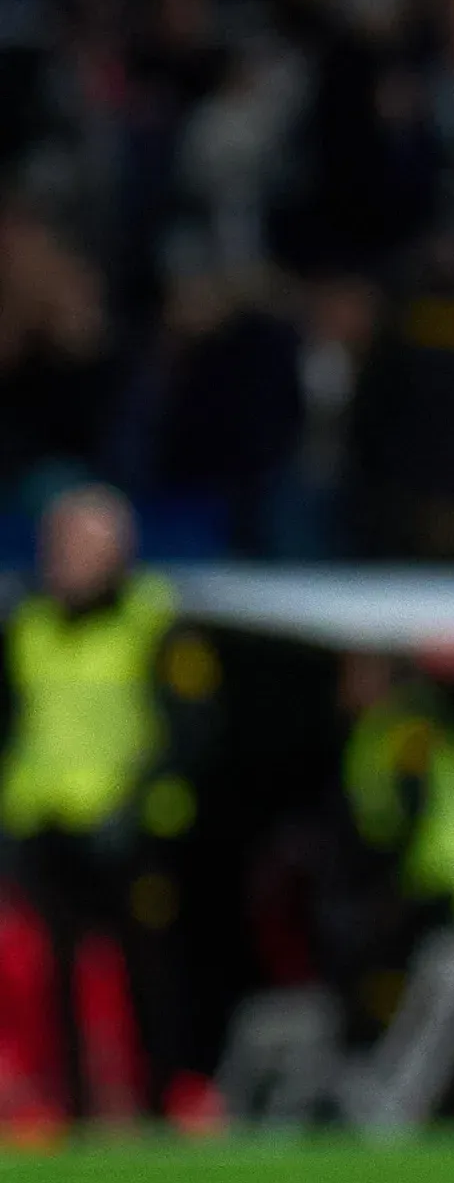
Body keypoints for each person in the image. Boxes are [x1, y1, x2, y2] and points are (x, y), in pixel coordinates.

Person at [4, 484, 221, 1133]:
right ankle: (69, 1105)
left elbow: (192, 732)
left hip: (132, 828)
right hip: (46, 824)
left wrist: (138, 802)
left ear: (117, 552)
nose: (60, 559)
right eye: (55, 545)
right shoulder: (28, 623)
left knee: (151, 971)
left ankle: (164, 1096)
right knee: (51, 976)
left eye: (76, 547)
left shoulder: (155, 621)